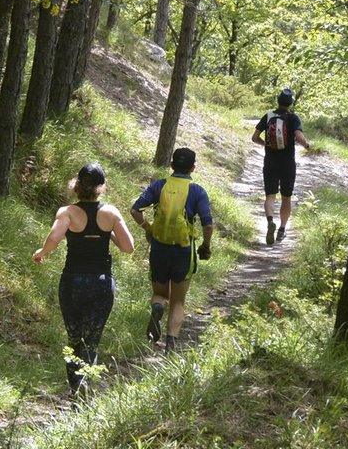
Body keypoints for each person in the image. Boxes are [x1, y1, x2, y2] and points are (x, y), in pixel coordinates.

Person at [33, 162, 135, 397]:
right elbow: (128, 247)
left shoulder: (67, 212)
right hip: (101, 283)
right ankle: (85, 384)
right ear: (101, 187)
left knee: (73, 337)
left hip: (72, 283)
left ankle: (75, 387)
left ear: (77, 185)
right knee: (91, 340)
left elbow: (54, 238)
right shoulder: (111, 213)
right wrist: (106, 233)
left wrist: (42, 253)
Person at [130, 147, 214, 353]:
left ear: (171, 165)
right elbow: (208, 224)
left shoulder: (159, 185)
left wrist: (148, 228)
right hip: (183, 251)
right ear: (193, 168)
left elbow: (135, 210)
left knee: (160, 294)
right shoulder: (197, 191)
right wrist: (205, 246)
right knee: (178, 301)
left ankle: (158, 307)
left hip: (159, 248)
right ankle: (169, 344)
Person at [252, 88, 310, 245]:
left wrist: (267, 144)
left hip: (270, 161)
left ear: (278, 101)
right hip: (287, 164)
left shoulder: (268, 116)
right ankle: (282, 230)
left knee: (270, 196)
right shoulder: (293, 118)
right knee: (286, 197)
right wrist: (307, 145)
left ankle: (270, 221)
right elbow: (298, 137)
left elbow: (254, 137)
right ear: (290, 103)